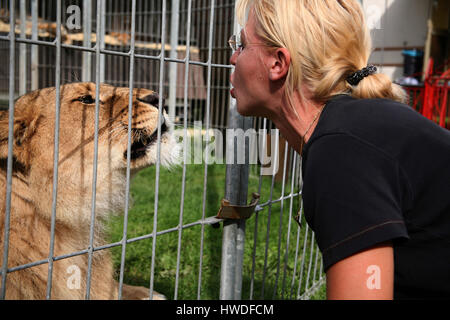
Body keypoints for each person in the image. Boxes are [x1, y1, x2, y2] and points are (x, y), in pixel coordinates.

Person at [229, 0, 450, 300]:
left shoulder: (341, 151)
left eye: (241, 45)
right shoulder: (353, 128)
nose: (232, 58)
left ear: (277, 63)